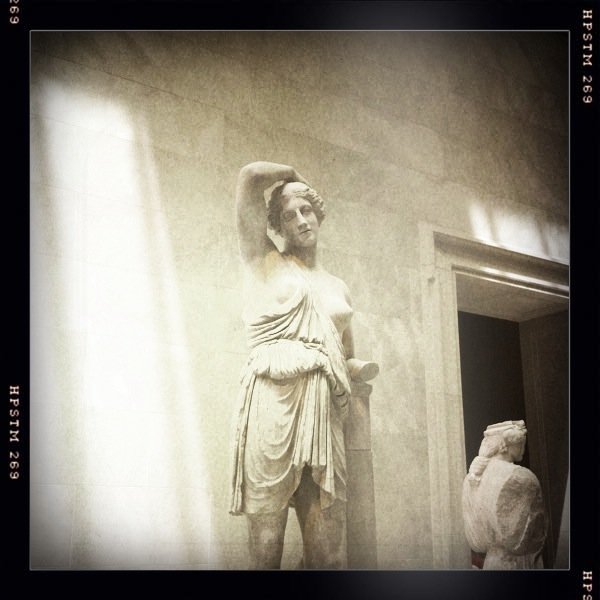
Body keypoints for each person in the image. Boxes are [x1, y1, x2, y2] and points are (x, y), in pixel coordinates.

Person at [229, 161, 373, 569]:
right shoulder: (265, 260)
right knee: (266, 547)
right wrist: (292, 173)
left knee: (329, 555)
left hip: (324, 415)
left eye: (306, 210)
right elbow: (249, 178)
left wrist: (360, 369)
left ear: (318, 214)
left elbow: (343, 354)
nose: (301, 220)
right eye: (289, 216)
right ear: (277, 226)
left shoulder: (339, 287)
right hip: (273, 407)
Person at [462, 420, 547, 569]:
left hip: (491, 562)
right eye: (520, 443)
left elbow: (475, 542)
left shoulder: (471, 478)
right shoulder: (520, 476)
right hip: (517, 564)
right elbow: (530, 537)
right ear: (505, 445)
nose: (523, 447)